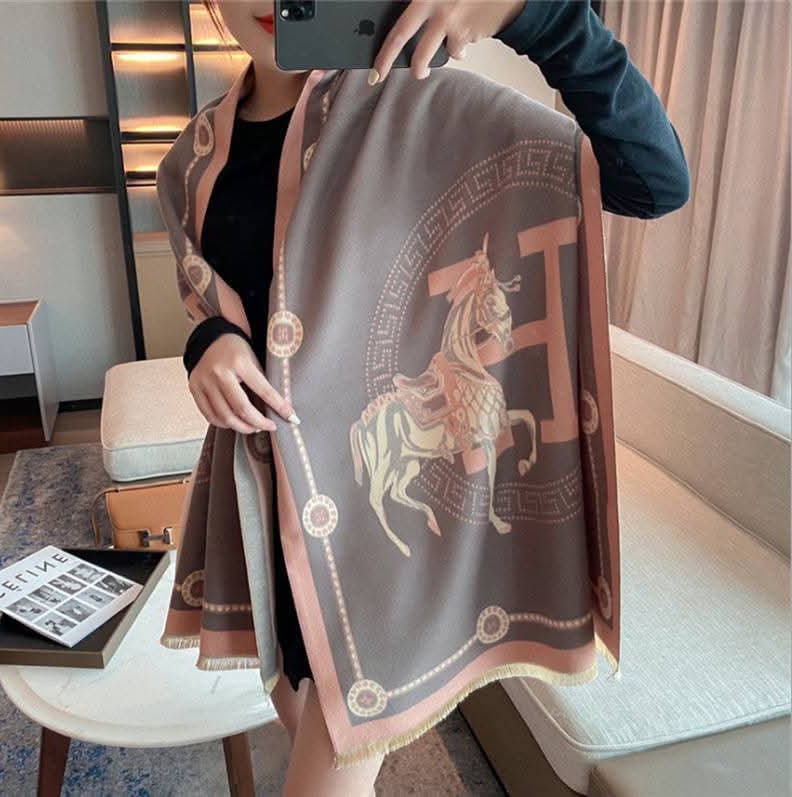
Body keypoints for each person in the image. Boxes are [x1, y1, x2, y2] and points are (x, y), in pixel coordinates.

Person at [183, 2, 690, 794]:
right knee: (304, 710)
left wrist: (533, 14)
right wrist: (208, 342)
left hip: (380, 547)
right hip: (270, 507)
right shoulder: (191, 156)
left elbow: (653, 178)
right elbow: (208, 289)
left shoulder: (419, 103)